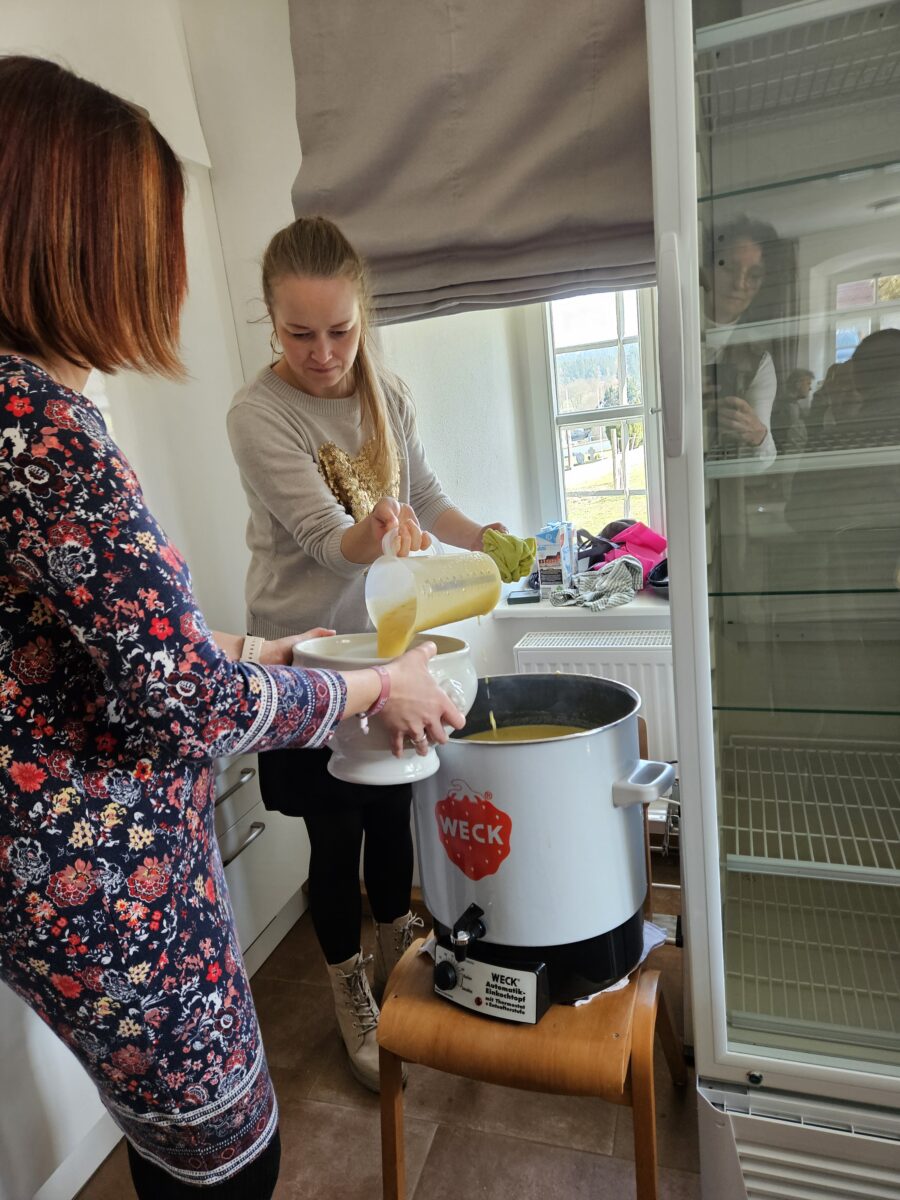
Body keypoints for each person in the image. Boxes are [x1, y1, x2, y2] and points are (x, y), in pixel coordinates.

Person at [0, 56, 464, 1200]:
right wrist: (368, 684)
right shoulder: (50, 433)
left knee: (172, 1137)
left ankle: (395, 968)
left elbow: (112, 652)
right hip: (107, 877)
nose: (162, 283)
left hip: (54, 862)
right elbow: (187, 698)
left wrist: (269, 653)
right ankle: (355, 992)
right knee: (225, 1154)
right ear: (77, 242)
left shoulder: (24, 418)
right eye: (150, 244)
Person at [226, 215, 509, 1093]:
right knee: (336, 831)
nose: (323, 354)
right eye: (299, 334)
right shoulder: (258, 415)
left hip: (391, 648)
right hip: (309, 659)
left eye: (341, 331)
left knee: (394, 816)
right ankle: (352, 990)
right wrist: (375, 529)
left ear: (364, 315)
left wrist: (483, 538)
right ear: (270, 323)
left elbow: (428, 495)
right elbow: (326, 541)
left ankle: (399, 958)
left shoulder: (386, 392)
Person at [700, 215, 779, 466]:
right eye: (729, 267)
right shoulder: (670, 328)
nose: (739, 283)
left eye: (753, 275)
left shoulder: (758, 361)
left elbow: (766, 459)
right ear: (708, 269)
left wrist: (756, 433)